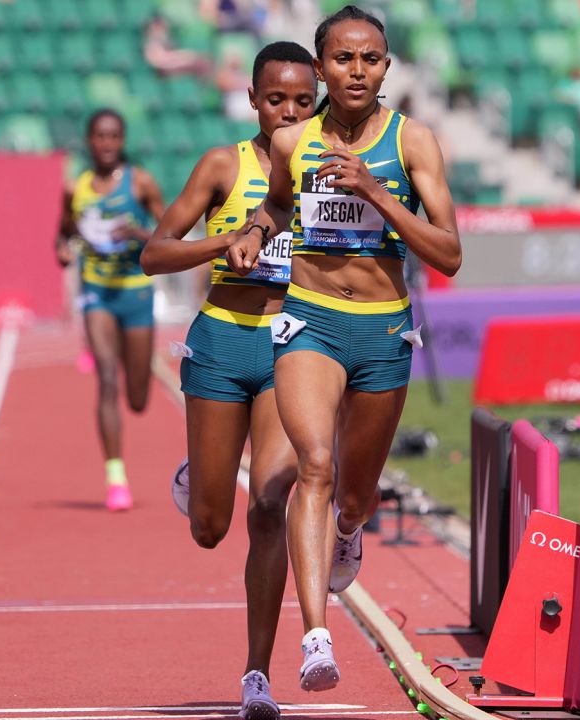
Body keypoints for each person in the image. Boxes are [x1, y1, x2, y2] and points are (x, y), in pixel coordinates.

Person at [222, 5, 461, 692]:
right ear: (322, 65)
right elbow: (273, 206)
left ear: (386, 66)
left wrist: (378, 192)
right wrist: (253, 233)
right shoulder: (294, 141)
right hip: (310, 320)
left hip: (383, 329)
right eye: (344, 58)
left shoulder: (413, 143)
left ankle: (350, 530)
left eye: (372, 58)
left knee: (352, 497)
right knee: (314, 466)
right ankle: (317, 637)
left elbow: (448, 254)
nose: (358, 70)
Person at [141, 41, 318, 719]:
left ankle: (257, 675)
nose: (289, 112)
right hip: (219, 341)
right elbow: (154, 253)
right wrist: (229, 240)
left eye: (304, 101)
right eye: (276, 99)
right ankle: (201, 470)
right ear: (252, 100)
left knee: (270, 506)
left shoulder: (327, 170)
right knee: (212, 526)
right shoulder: (223, 165)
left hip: (290, 346)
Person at [55, 110, 166, 511]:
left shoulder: (140, 182)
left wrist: (136, 233)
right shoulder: (76, 188)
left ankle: (133, 377)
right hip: (97, 291)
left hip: (135, 294)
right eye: (99, 136)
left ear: (122, 141)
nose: (106, 144)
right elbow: (63, 232)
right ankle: (116, 478)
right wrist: (63, 251)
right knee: (105, 377)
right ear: (89, 140)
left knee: (136, 399)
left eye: (114, 136)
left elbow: (171, 232)